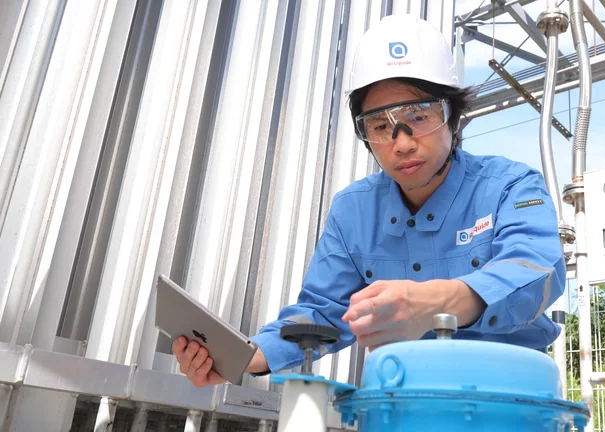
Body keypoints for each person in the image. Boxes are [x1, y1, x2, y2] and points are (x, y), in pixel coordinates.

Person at [172, 14, 566, 387]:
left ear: (453, 117)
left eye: (420, 116)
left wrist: (437, 302)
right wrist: (243, 358)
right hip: (401, 399)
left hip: (513, 396)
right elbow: (322, 313)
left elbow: (537, 272)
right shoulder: (354, 212)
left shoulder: (510, 186)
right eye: (380, 125)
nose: (402, 143)